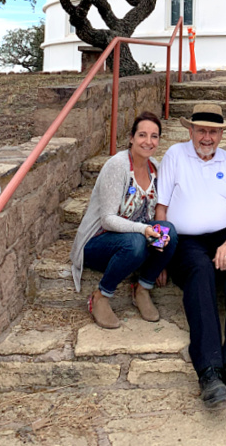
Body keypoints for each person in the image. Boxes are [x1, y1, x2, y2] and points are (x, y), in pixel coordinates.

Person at [155, 102, 226, 407]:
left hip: (224, 235)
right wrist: (160, 255)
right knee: (199, 271)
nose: (207, 137)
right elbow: (161, 209)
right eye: (201, 130)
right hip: (185, 241)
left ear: (221, 134)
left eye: (213, 131)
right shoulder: (175, 156)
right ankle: (209, 371)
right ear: (190, 130)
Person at [70, 111, 178, 329]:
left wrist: (162, 258)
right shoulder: (117, 166)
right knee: (136, 242)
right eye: (142, 135)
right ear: (131, 138)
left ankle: (142, 288)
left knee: (169, 231)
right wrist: (142, 230)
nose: (148, 141)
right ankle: (101, 296)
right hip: (98, 242)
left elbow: (159, 215)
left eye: (154, 136)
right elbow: (108, 219)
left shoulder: (154, 168)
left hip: (134, 241)